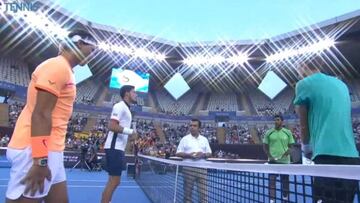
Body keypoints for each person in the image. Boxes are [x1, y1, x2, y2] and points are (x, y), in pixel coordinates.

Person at [5, 29, 97, 203]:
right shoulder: (57, 67)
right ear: (79, 44)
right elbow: (41, 114)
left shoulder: (65, 69)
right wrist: (40, 161)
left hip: (51, 148)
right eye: (91, 50)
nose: (92, 55)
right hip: (35, 150)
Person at [294, 59, 360, 203]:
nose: (298, 73)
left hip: (326, 155)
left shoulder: (302, 84)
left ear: (302, 66)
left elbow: (303, 124)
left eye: (297, 68)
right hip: (352, 157)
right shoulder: (342, 84)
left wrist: (306, 148)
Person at [101, 85, 138, 203]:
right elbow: (112, 126)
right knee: (114, 181)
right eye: (134, 92)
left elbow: (121, 130)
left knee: (113, 181)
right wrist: (130, 132)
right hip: (114, 148)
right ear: (127, 93)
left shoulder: (127, 109)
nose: (136, 94)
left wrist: (130, 136)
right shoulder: (119, 106)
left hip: (118, 148)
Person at [176, 119, 212, 203]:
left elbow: (209, 153)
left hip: (202, 169)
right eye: (191, 125)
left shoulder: (204, 139)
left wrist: (202, 154)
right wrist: (189, 155)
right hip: (188, 169)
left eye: (194, 126)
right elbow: (178, 153)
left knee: (204, 195)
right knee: (187, 195)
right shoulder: (184, 139)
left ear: (199, 128)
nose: (192, 127)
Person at [263, 114, 295, 203]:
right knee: (272, 182)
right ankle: (272, 200)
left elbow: (292, 146)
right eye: (275, 120)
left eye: (278, 119)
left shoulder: (287, 132)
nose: (276, 121)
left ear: (282, 121)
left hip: (285, 162)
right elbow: (265, 146)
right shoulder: (269, 132)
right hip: (272, 162)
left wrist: (286, 153)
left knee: (285, 182)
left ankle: (285, 198)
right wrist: (270, 156)